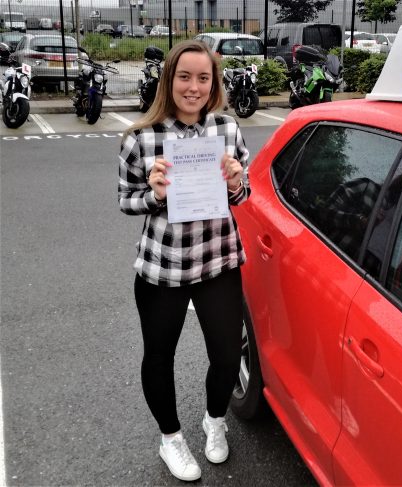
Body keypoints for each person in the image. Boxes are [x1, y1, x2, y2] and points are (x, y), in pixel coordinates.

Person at [118, 40, 250, 482]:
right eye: (184, 77)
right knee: (159, 356)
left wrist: (235, 180)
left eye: (203, 78)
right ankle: (170, 437)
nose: (193, 87)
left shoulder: (227, 129)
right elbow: (126, 202)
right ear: (169, 80)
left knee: (228, 355)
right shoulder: (139, 138)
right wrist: (154, 194)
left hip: (218, 260)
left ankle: (215, 422)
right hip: (163, 266)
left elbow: (242, 195)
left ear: (214, 84)